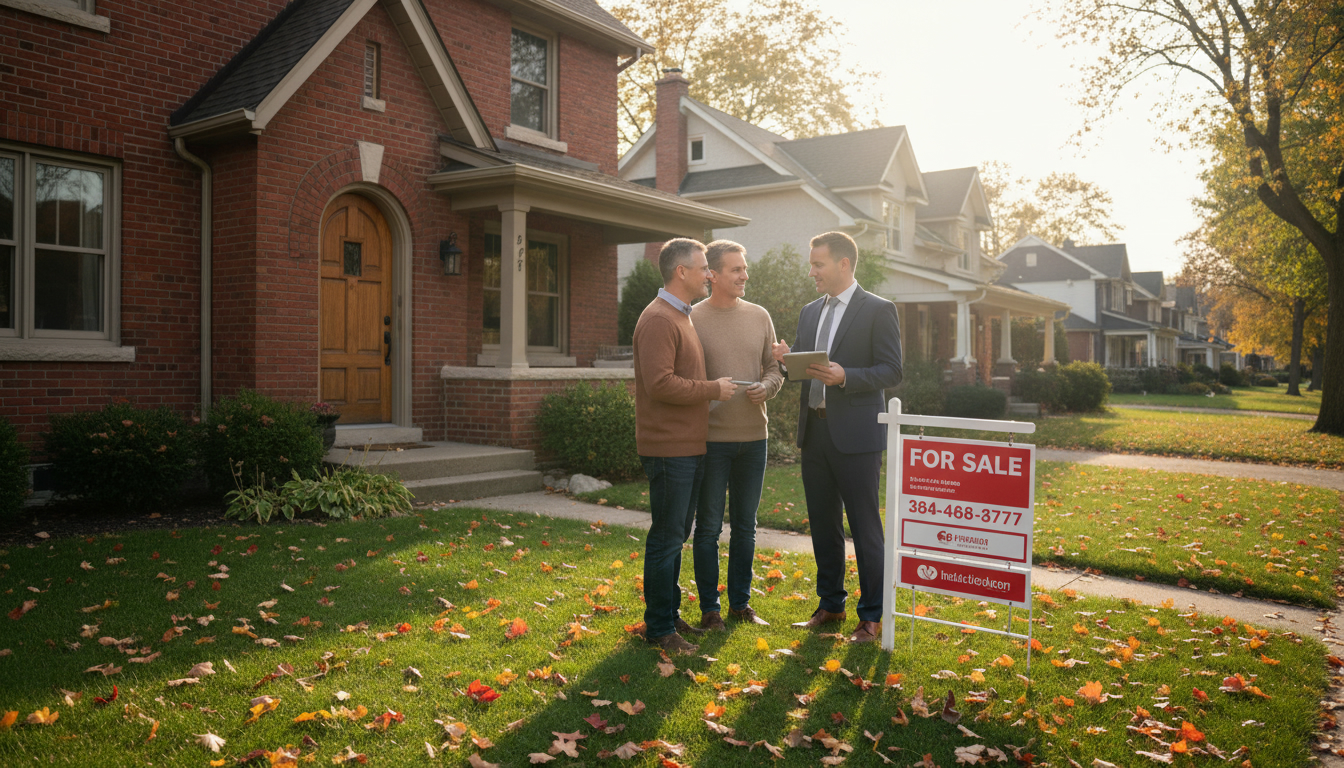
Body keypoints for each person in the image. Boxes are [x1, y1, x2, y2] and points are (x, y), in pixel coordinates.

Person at [771, 231, 902, 644]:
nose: (812, 272)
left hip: (858, 435)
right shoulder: (810, 312)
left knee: (865, 527)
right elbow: (807, 372)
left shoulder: (879, 310)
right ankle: (830, 605)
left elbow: (892, 370)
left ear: (844, 264)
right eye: (812, 264)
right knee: (824, 525)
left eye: (818, 264)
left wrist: (848, 376)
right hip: (815, 431)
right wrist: (788, 360)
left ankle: (872, 616)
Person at [633, 237, 736, 655]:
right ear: (681, 272)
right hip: (668, 447)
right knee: (667, 537)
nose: (709, 274)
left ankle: (669, 616)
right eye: (703, 268)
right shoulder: (659, 319)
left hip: (688, 446)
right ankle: (658, 627)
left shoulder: (681, 316)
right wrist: (713, 389)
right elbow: (659, 384)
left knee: (675, 535)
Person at [690, 240, 783, 631]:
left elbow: (774, 369)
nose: (745, 275)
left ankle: (740, 604)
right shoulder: (691, 317)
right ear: (712, 274)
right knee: (709, 527)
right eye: (736, 270)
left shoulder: (760, 316)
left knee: (746, 525)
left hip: (753, 438)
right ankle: (710, 609)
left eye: (745, 269)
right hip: (710, 441)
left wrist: (768, 386)